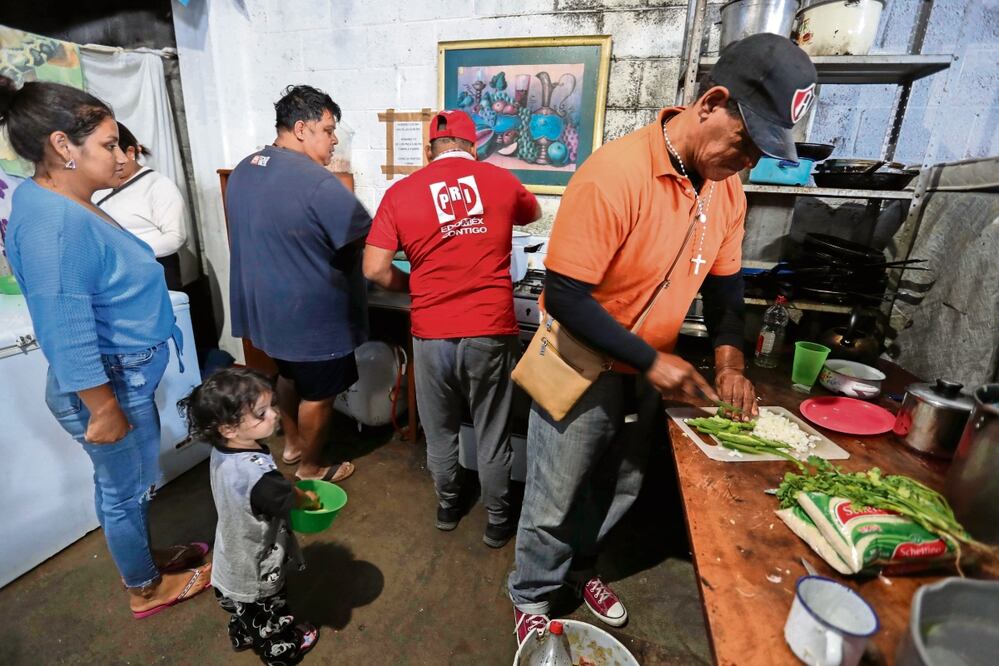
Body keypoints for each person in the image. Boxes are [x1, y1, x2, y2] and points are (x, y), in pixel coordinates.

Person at [507, 34, 818, 642]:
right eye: (746, 141)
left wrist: (730, 363)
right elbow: (567, 296)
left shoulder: (727, 190)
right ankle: (533, 595)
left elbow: (725, 290)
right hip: (578, 361)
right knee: (554, 492)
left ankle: (584, 569)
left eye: (761, 152)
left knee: (620, 480)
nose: (748, 161)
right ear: (711, 103)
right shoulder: (615, 173)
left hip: (650, 368)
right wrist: (652, 360)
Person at [0, 76, 211, 618]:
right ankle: (145, 588)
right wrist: (104, 406)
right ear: (62, 147)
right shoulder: (56, 223)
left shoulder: (66, 199)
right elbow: (65, 328)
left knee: (133, 486)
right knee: (123, 491)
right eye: (109, 144)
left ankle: (144, 559)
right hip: (108, 383)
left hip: (122, 375)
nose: (121, 155)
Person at [363, 109, 542, 548]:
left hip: (431, 331)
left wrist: (413, 285)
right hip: (489, 328)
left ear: (430, 150)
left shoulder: (400, 193)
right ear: (473, 146)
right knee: (492, 427)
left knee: (439, 427)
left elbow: (373, 269)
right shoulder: (499, 181)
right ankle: (498, 520)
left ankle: (448, 506)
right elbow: (532, 213)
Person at [226, 85, 372, 484]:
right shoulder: (317, 181)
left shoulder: (244, 168)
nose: (334, 138)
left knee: (289, 375)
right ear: (302, 128)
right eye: (329, 129)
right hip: (312, 313)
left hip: (267, 309)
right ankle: (311, 467)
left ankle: (291, 444)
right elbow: (362, 238)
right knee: (320, 393)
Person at [180, 368, 321, 665]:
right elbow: (287, 498)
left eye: (271, 406)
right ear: (229, 428)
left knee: (243, 608)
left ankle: (244, 633)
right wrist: (304, 497)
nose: (274, 415)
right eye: (261, 413)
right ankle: (281, 648)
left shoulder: (222, 450)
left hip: (228, 557)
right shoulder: (261, 479)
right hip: (257, 566)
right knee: (271, 612)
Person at [93, 122, 189, 290]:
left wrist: (129, 253)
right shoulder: (101, 185)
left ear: (129, 152)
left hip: (154, 268)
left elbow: (176, 237)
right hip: (114, 273)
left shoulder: (158, 185)